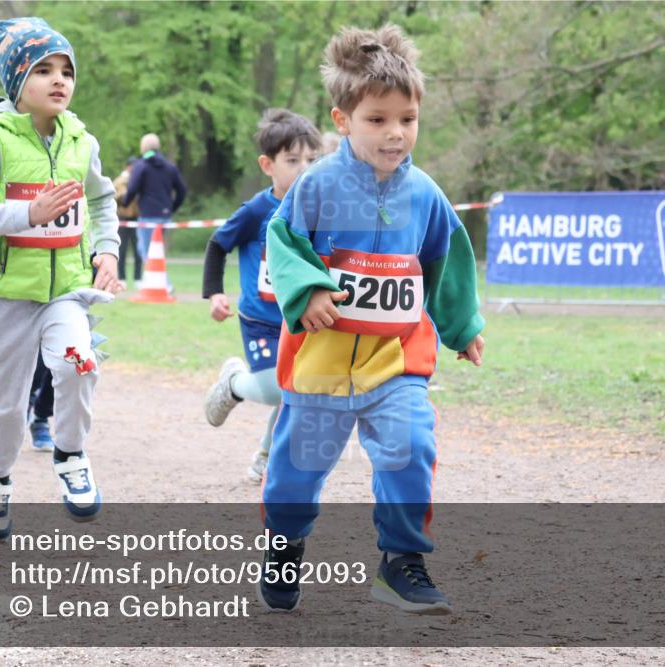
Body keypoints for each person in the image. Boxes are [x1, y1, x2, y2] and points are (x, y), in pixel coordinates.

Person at [258, 25, 486, 615]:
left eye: (407, 119)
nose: (395, 133)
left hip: (396, 362)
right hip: (319, 366)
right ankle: (284, 545)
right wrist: (307, 290)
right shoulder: (317, 186)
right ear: (343, 120)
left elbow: (446, 258)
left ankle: (400, 562)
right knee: (294, 475)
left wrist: (461, 326)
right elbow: (281, 242)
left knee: (411, 447)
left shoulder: (426, 195)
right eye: (378, 120)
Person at [0, 17, 122, 540]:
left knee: (79, 363)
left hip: (65, 292)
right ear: (14, 83)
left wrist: (107, 249)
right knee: (6, 402)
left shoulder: (82, 141)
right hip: (8, 296)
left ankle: (71, 454)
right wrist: (28, 214)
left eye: (67, 70)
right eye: (43, 70)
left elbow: (101, 199)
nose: (59, 80)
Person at [202, 109, 321, 482]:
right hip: (260, 321)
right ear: (268, 165)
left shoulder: (320, 208)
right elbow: (218, 245)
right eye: (292, 160)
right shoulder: (257, 210)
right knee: (275, 391)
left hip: (300, 319)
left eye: (311, 160)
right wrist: (215, 293)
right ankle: (235, 382)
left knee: (298, 393)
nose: (303, 168)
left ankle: (266, 458)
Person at [121, 133, 186, 273]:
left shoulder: (141, 166)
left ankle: (163, 286)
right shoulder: (170, 167)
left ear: (143, 148)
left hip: (148, 216)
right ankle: (155, 284)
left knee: (147, 252)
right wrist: (171, 208)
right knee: (151, 250)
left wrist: (124, 203)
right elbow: (182, 190)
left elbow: (132, 188)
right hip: (165, 216)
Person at [112, 156, 141, 283]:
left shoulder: (140, 180)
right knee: (121, 249)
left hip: (136, 218)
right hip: (122, 219)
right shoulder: (119, 181)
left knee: (138, 250)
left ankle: (137, 277)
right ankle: (122, 277)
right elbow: (114, 197)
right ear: (127, 167)